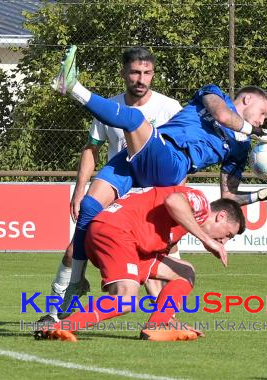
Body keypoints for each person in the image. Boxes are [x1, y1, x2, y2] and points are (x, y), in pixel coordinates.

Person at [51, 45, 267, 317]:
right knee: (90, 208)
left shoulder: (240, 148)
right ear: (246, 100)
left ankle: (73, 88)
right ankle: (75, 284)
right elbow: (225, 117)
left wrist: (264, 194)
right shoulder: (213, 94)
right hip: (141, 154)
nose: (262, 120)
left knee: (132, 118)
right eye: (262, 113)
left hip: (170, 164)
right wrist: (260, 132)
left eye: (264, 120)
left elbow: (228, 196)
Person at [46, 47, 182, 322]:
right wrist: (80, 189)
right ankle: (54, 310)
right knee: (75, 246)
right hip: (116, 188)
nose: (141, 79)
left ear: (153, 75)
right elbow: (92, 148)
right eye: (135, 72)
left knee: (162, 258)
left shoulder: (169, 108)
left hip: (152, 195)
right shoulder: (108, 107)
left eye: (147, 73)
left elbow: (179, 157)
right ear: (123, 74)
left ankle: (164, 319)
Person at [35, 185, 246, 342]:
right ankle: (60, 327)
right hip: (116, 232)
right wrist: (207, 240)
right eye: (228, 234)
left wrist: (167, 318)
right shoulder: (200, 204)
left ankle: (155, 326)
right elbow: (173, 201)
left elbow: (152, 282)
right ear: (221, 216)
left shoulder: (178, 227)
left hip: (124, 240)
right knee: (125, 300)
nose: (224, 241)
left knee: (185, 271)